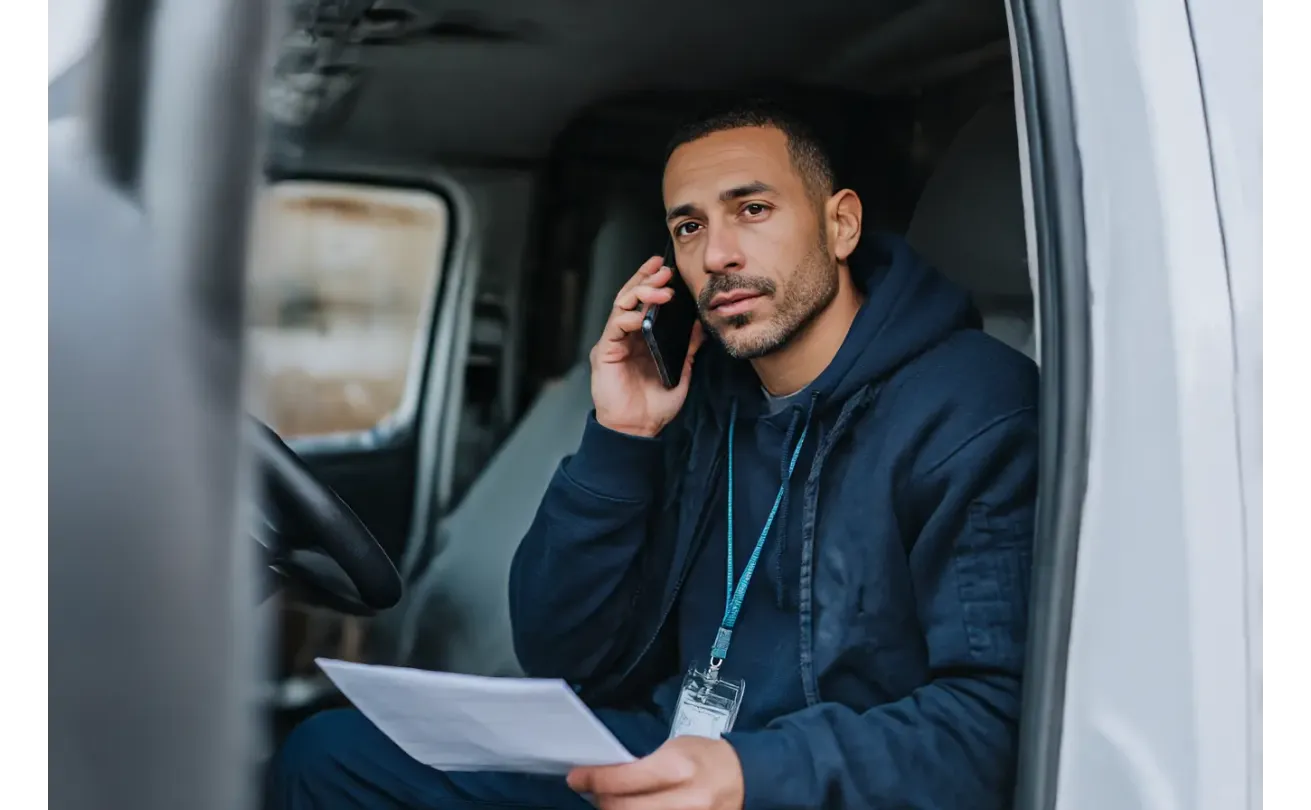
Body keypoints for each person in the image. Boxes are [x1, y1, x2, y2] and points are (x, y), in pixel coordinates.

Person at [266, 100, 1039, 810]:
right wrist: (620, 441)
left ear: (839, 226)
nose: (718, 254)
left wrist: (751, 776)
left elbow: (996, 721)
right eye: (688, 227)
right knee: (329, 755)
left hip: (815, 784)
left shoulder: (970, 405)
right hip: (674, 749)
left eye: (753, 209)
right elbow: (567, 655)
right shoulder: (708, 398)